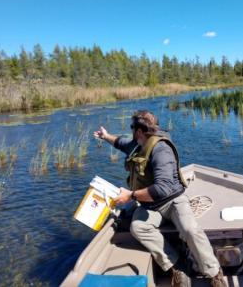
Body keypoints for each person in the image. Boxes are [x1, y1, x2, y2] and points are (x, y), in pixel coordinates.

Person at [94, 110, 227, 287]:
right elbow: (120, 142)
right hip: (150, 205)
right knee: (138, 227)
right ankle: (177, 266)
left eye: (133, 129)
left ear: (140, 131)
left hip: (173, 201)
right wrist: (106, 136)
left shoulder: (161, 149)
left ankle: (214, 273)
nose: (132, 133)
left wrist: (131, 195)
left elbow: (162, 189)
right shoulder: (137, 143)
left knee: (189, 229)